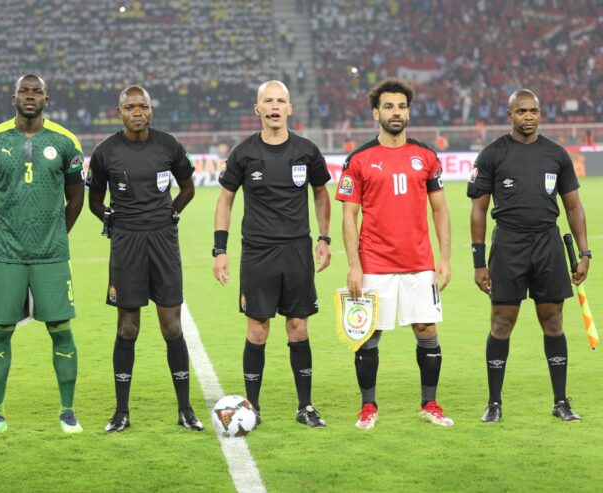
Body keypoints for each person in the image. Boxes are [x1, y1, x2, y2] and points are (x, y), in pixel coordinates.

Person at [336, 78, 454, 430]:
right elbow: (348, 216)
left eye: (402, 106)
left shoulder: (426, 156)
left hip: (419, 263)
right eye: (389, 106)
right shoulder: (358, 159)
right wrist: (354, 266)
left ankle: (429, 403)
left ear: (408, 111)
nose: (396, 112)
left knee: (426, 329)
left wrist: (444, 260)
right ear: (376, 113)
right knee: (369, 334)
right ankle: (368, 406)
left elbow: (441, 211)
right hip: (374, 264)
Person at [213, 80, 331, 428]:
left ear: (290, 109)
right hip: (258, 252)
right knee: (258, 331)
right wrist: (220, 249)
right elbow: (225, 200)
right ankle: (253, 408)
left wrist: (324, 237)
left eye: (281, 100)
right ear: (258, 109)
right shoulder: (244, 153)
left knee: (298, 328)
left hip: (297, 250)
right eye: (268, 101)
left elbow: (322, 194)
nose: (275, 106)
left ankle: (305, 406)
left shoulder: (307, 151)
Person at [467, 89, 590, 423]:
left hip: (547, 244)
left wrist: (584, 252)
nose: (529, 117)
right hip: (508, 244)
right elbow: (478, 210)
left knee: (553, 320)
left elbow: (574, 206)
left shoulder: (557, 155)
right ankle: (494, 403)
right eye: (522, 111)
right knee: (502, 321)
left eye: (534, 111)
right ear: (510, 115)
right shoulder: (492, 154)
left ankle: (561, 402)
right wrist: (479, 261)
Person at [0, 74, 85, 436]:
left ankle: (68, 412)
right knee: (0, 331)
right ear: (14, 97)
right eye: (25, 91)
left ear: (46, 99)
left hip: (52, 255)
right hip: (7, 255)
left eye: (37, 91)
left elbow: (76, 197)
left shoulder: (65, 141)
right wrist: (2, 234)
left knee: (61, 331)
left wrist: (55, 234)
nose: (30, 96)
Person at [87, 85, 203, 433]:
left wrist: (170, 215)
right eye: (130, 107)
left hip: (163, 242)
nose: (137, 112)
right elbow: (94, 201)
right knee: (128, 327)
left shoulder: (168, 144)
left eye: (143, 107)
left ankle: (185, 409)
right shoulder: (105, 151)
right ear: (119, 111)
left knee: (171, 326)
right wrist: (113, 221)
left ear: (151, 111)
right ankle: (121, 412)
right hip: (127, 244)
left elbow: (188, 189)